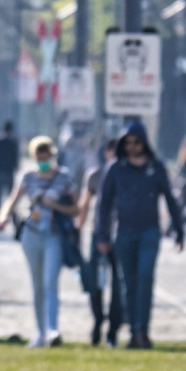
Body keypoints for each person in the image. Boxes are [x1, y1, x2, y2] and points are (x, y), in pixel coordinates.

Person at [92, 120, 185, 350]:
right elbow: (103, 204)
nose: (133, 146)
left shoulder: (156, 168)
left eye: (137, 142)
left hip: (149, 232)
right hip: (124, 233)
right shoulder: (116, 169)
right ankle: (134, 331)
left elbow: (170, 200)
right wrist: (101, 235)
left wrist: (179, 230)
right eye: (128, 143)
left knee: (145, 278)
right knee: (128, 284)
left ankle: (144, 330)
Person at [0, 136, 78, 347]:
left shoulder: (64, 177)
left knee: (50, 280)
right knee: (37, 282)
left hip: (53, 233)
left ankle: (53, 330)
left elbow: (76, 209)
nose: (43, 158)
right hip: (31, 233)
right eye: (39, 155)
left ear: (52, 154)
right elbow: (13, 200)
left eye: (47, 154)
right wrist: (3, 217)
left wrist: (56, 206)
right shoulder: (28, 177)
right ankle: (39, 333)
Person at [78, 137, 124, 346]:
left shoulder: (128, 175)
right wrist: (78, 229)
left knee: (118, 285)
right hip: (99, 234)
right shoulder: (95, 176)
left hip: (122, 234)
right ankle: (97, 320)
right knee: (95, 282)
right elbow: (85, 205)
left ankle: (114, 328)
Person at [0, 121, 18, 215]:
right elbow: (15, 158)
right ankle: (9, 215)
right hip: (8, 172)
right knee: (10, 196)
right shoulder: (12, 142)